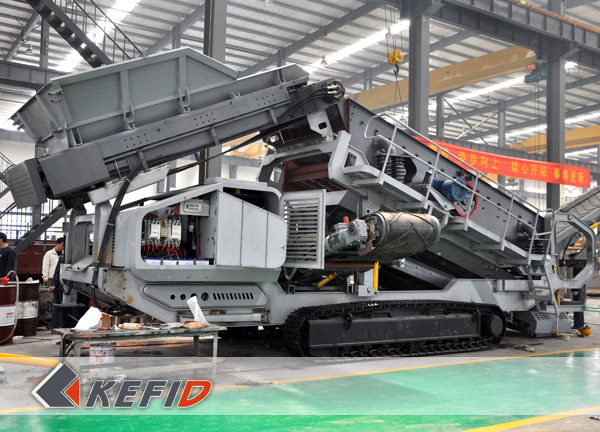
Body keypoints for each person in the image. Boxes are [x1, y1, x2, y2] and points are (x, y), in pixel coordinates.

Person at [49, 254, 65, 328]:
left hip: (58, 284)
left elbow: (57, 273)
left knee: (57, 305)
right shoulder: (63, 259)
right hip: (61, 285)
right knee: (59, 306)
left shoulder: (62, 258)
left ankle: (55, 324)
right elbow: (57, 273)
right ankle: (57, 324)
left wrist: (54, 284)